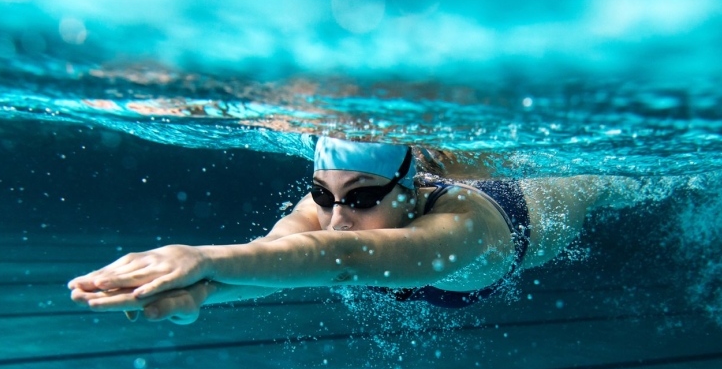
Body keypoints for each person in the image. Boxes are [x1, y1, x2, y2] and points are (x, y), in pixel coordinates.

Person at [68, 137, 636, 323]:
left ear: (410, 191)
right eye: (323, 194)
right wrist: (200, 294)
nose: (337, 217)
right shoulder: (331, 208)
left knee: (609, 182)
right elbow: (273, 258)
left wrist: (198, 256)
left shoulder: (464, 228)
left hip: (531, 208)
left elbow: (346, 257)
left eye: (362, 198)